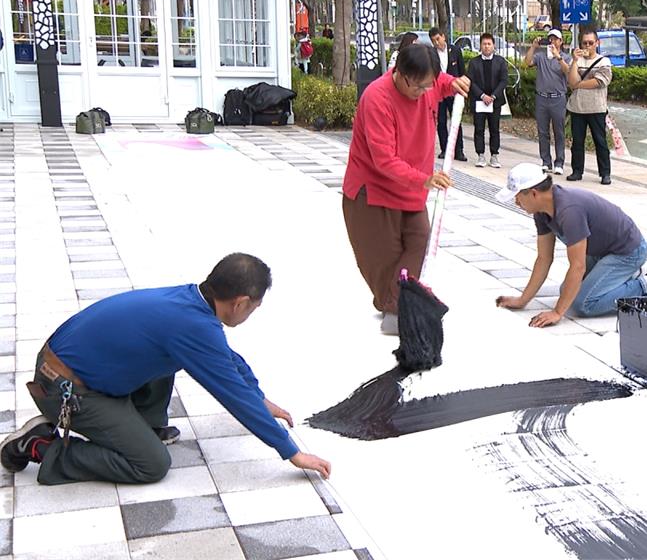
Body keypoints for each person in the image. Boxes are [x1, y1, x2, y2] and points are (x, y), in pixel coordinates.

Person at [0, 253, 332, 485]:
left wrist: (260, 398)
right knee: (151, 464)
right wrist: (291, 452)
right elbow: (232, 395)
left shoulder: (190, 301)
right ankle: (39, 446)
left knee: (170, 358)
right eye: (253, 309)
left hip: (67, 367)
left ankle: (146, 426)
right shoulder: (194, 328)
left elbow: (226, 360)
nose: (249, 314)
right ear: (240, 302)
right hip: (64, 387)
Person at [342, 43, 471, 334]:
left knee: (420, 242)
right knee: (384, 256)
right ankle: (395, 308)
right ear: (400, 73)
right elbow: (383, 159)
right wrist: (424, 179)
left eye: (429, 86)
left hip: (411, 188)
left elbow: (443, 83)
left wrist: (455, 83)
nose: (425, 93)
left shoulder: (428, 81)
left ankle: (400, 305)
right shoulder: (377, 98)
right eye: (418, 88)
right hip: (373, 190)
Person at [494, 163, 647, 327]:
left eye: (517, 197)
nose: (516, 203)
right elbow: (544, 258)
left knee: (583, 304)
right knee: (566, 291)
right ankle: (633, 273)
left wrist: (557, 312)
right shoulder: (541, 212)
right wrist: (522, 300)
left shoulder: (569, 211)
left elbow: (578, 267)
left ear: (534, 193)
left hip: (627, 252)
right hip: (602, 252)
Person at [566, 28, 613, 185]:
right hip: (577, 108)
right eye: (584, 43)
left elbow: (600, 81)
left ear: (597, 43)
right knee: (577, 142)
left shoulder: (604, 61)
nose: (587, 46)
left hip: (597, 108)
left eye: (591, 43)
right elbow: (571, 81)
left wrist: (579, 84)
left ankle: (605, 173)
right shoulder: (577, 61)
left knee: (600, 141)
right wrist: (574, 61)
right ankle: (577, 171)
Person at [525, 29, 571, 175]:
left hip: (558, 98)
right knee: (543, 131)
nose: (553, 42)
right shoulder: (541, 56)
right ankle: (546, 161)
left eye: (556, 39)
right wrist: (533, 47)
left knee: (559, 131)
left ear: (561, 41)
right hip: (542, 98)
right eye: (550, 39)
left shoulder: (565, 57)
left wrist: (558, 57)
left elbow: (568, 72)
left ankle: (559, 162)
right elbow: (527, 62)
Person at [467, 33, 508, 169]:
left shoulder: (500, 61)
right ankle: (480, 155)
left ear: (493, 45)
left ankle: (494, 155)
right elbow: (471, 82)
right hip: (479, 101)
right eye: (484, 44)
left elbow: (503, 81)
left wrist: (493, 96)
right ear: (480, 46)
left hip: (494, 102)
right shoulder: (474, 62)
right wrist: (482, 95)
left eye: (489, 44)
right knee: (479, 129)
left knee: (494, 129)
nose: (486, 46)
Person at [430, 27, 467, 162]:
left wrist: (462, 87)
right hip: (439, 92)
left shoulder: (455, 50)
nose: (436, 43)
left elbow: (461, 70)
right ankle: (445, 149)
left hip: (454, 90)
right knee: (441, 121)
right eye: (433, 41)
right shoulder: (432, 53)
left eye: (438, 39)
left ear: (443, 37)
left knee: (456, 120)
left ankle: (459, 150)